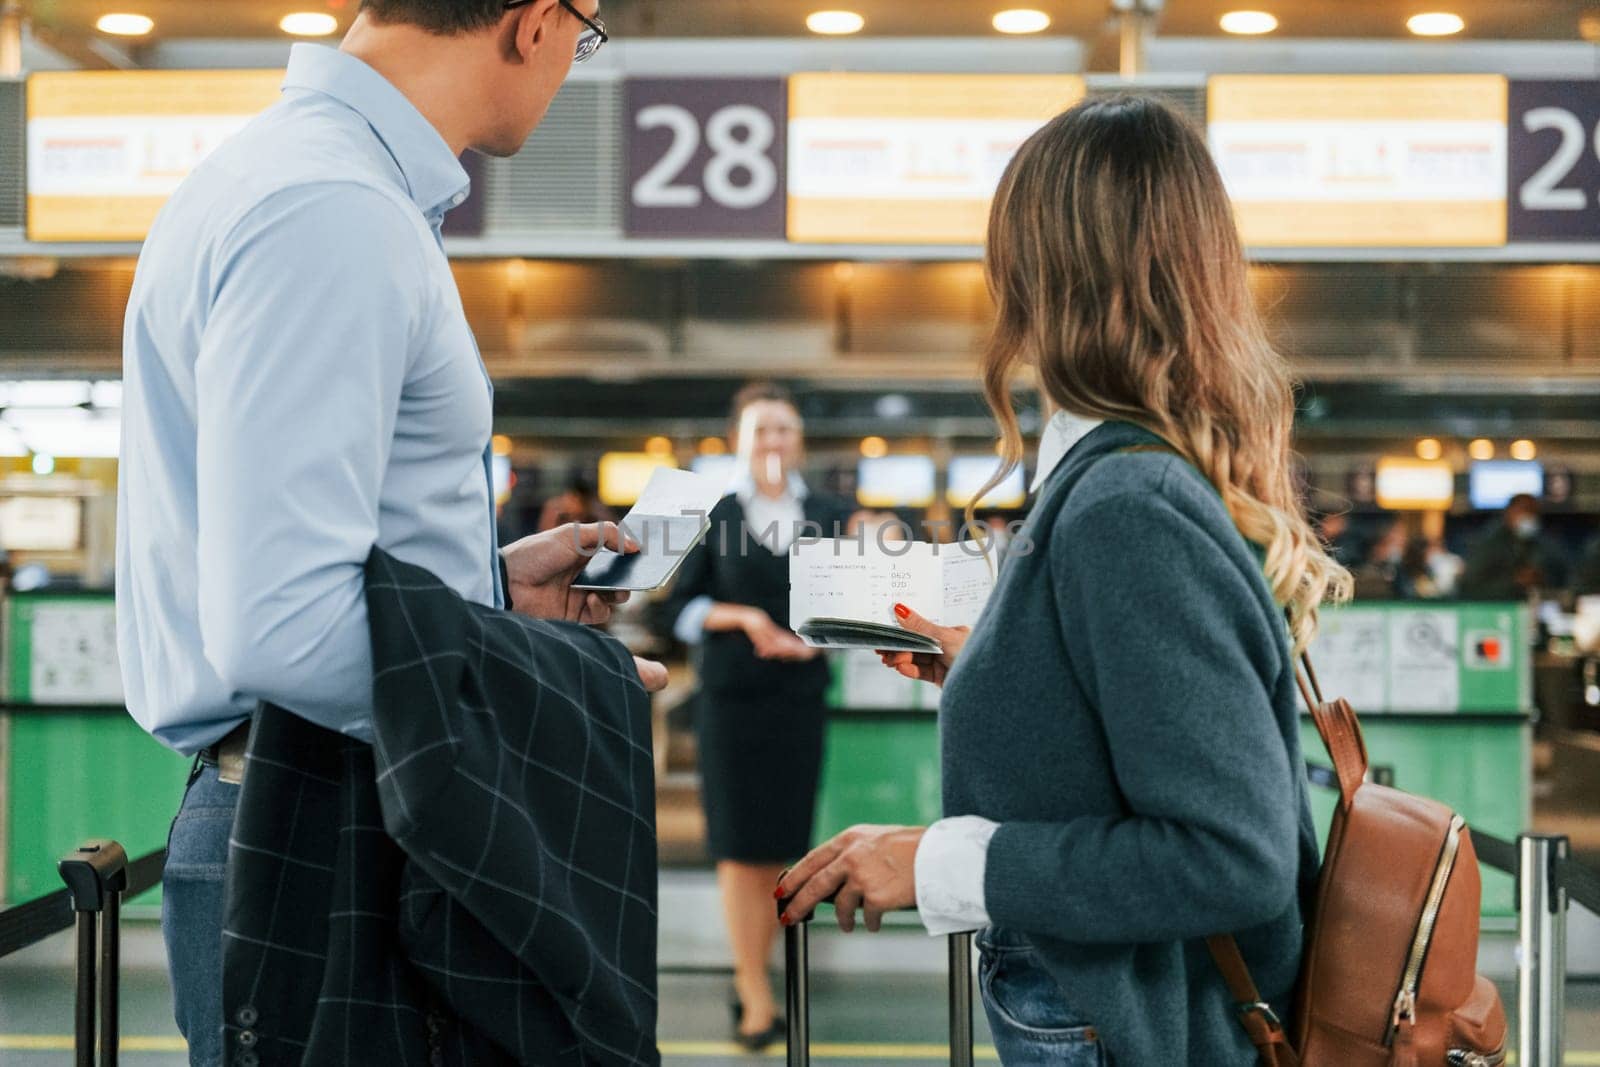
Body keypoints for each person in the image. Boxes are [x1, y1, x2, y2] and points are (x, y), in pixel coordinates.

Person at [115, 3, 666, 1063]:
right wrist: (544, 676)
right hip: (321, 835)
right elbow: (281, 624)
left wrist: (486, 595)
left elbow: (305, 560)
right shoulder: (329, 208)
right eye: (586, 34)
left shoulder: (301, 181)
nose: (572, 66)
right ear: (534, 23)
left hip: (314, 811)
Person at [776, 96, 1352, 1065]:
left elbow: (1228, 854)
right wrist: (997, 673)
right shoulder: (1124, 477)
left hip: (1140, 1030)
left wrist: (938, 860)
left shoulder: (1125, 502)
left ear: (1046, 275)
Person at [663, 382, 853, 1050]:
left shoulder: (831, 513)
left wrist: (818, 637)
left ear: (798, 440)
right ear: (741, 441)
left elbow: (853, 605)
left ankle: (755, 972)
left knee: (780, 848)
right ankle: (753, 988)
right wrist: (741, 615)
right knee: (739, 850)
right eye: (761, 430)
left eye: (783, 429)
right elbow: (676, 609)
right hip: (733, 704)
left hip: (797, 703)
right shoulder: (716, 516)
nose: (773, 441)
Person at [1458, 493, 1567, 600]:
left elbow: (1563, 577)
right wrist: (1514, 583)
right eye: (1525, 510)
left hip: (1529, 608)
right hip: (1492, 609)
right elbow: (1469, 587)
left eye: (1534, 512)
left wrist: (1541, 579)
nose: (1530, 516)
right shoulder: (1489, 542)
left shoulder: (1541, 543)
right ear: (1509, 512)